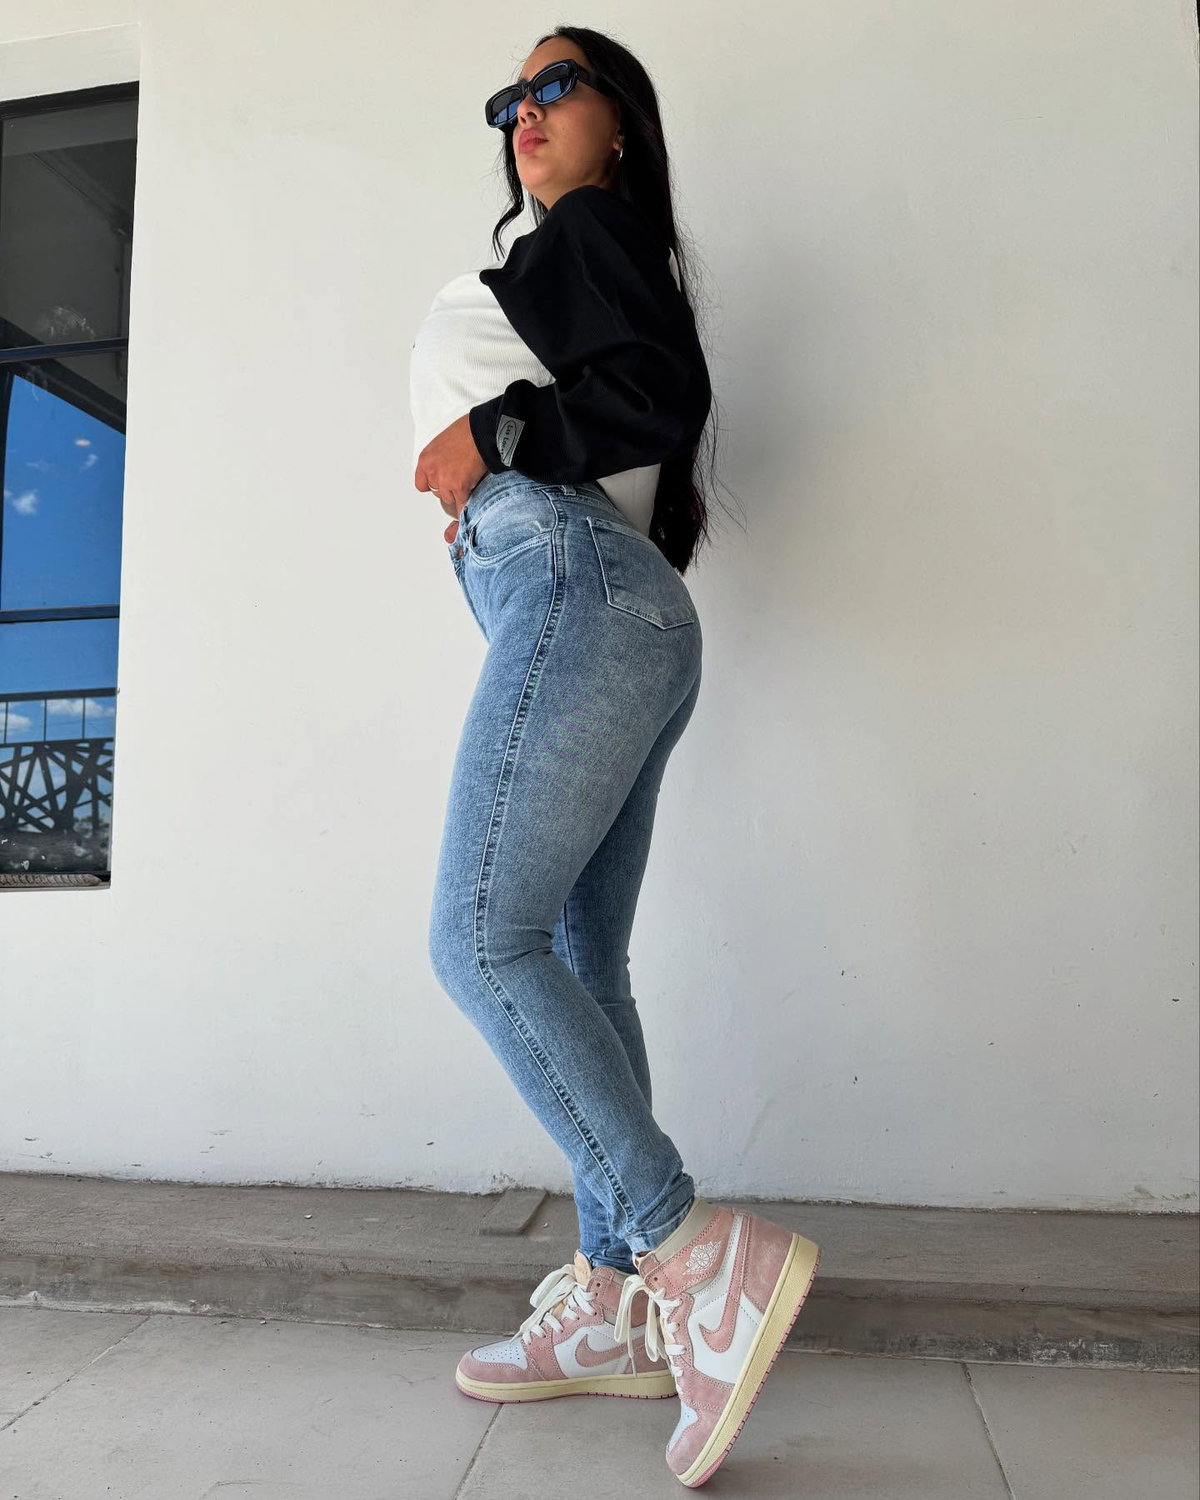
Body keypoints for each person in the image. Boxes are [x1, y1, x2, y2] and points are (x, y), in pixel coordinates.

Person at [411, 27, 820, 1490]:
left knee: (478, 938)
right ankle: (615, 1301)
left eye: (556, 86)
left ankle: (690, 1252)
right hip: (616, 610)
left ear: (622, 128)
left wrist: (489, 435)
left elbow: (657, 394)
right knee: (577, 961)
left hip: (576, 587)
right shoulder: (557, 256)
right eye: (510, 97)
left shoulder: (587, 231)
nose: (524, 112)